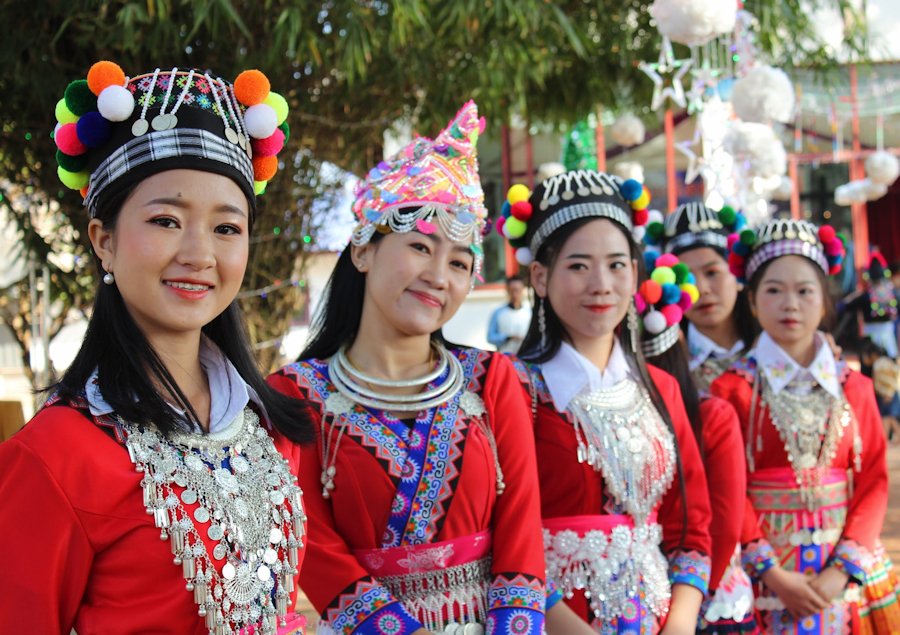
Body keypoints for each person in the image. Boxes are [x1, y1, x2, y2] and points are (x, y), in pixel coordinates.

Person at [0, 62, 312, 634]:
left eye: (227, 228)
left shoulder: (267, 426)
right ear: (105, 240)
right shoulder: (52, 457)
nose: (200, 254)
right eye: (167, 220)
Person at [268, 102, 549, 634]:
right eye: (420, 246)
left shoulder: (493, 381)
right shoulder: (294, 394)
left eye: (460, 263)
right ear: (363, 252)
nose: (438, 275)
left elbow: (521, 526)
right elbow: (311, 540)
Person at [502, 170, 713, 634]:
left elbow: (691, 527)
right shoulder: (514, 390)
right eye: (578, 266)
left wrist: (679, 622)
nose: (602, 284)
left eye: (617, 265)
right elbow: (502, 535)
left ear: (635, 275)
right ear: (539, 277)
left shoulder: (661, 388)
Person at [711, 218, 900, 634]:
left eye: (804, 291)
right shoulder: (730, 391)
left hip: (844, 578)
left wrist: (840, 571)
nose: (790, 304)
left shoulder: (857, 388)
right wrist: (772, 573)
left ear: (824, 302)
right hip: (762, 579)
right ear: (754, 303)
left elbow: (872, 482)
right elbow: (728, 489)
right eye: (774, 291)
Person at [637, 251, 760, 634]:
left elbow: (723, 523)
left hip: (709, 597)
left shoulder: (711, 413)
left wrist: (688, 602)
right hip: (643, 598)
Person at [645, 202, 758, 392]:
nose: (701, 289)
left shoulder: (769, 347)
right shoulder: (662, 364)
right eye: (687, 278)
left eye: (712, 272)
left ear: (737, 276)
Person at [840, 252, 899, 358]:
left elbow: (846, 306)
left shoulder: (865, 296)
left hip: (871, 338)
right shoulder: (892, 294)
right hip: (887, 336)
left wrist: (852, 296)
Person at [858, 336, 900, 443]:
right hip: (892, 392)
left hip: (886, 393)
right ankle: (885, 438)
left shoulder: (878, 365)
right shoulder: (888, 361)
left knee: (886, 416)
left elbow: (879, 381)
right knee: (888, 417)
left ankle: (885, 438)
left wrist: (884, 393)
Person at [486, 274, 531, 352]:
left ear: (522, 290)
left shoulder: (529, 313)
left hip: (525, 357)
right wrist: (508, 337)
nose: (515, 294)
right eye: (512, 290)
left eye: (517, 290)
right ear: (507, 290)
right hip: (505, 358)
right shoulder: (498, 313)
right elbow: (490, 337)